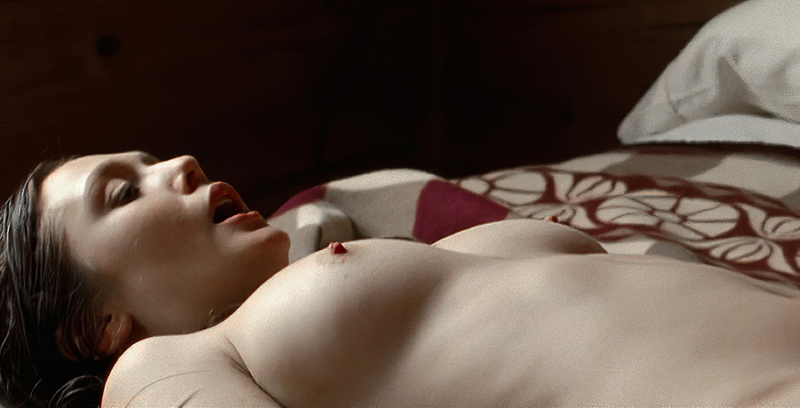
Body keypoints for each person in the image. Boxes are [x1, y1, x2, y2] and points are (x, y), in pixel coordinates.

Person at [3, 151, 800, 407]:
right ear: (94, 327)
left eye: (150, 160)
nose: (181, 163)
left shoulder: (417, 260)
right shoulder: (158, 367)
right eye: (123, 194)